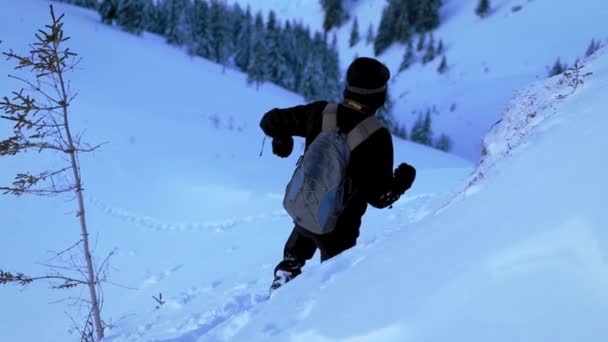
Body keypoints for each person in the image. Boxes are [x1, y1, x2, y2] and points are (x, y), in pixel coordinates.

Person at [259, 57, 416, 291]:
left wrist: (282, 140)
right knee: (332, 284)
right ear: (379, 96)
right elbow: (379, 198)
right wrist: (403, 180)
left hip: (304, 210)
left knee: (308, 225)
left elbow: (269, 121)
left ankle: (287, 271)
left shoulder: (321, 111)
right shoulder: (376, 136)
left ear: (348, 88)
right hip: (339, 231)